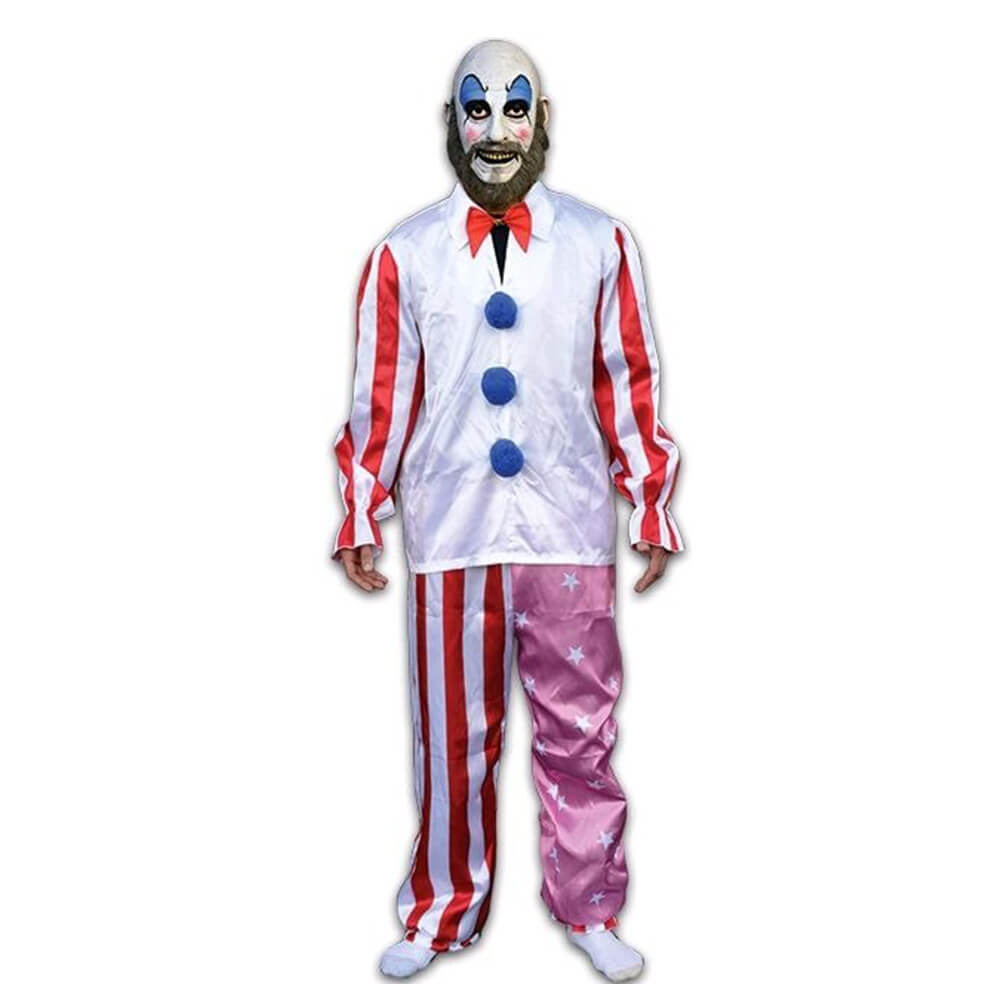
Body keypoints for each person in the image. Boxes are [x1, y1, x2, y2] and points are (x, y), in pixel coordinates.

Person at [332, 39, 682, 982]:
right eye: (477, 108)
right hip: (452, 532)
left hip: (566, 529)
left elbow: (626, 381)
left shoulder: (599, 244)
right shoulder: (405, 255)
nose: (496, 129)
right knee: (452, 741)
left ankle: (592, 905)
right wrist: (362, 507)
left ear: (543, 121)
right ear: (450, 123)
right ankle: (443, 908)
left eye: (514, 107)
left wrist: (649, 499)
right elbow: (383, 395)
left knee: (581, 732)